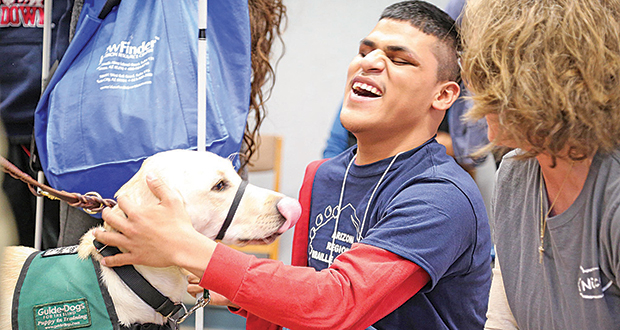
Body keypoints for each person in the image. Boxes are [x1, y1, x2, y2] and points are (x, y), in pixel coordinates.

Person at [95, 1, 492, 329]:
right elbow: (302, 299)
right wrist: (231, 286)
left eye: (399, 59)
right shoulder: (323, 176)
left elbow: (336, 302)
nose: (369, 63)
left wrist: (189, 248)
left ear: (443, 95)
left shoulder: (441, 197)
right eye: (364, 50)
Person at [458, 0, 620, 329]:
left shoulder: (612, 189)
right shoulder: (515, 174)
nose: (473, 88)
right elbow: (503, 321)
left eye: (491, 73)